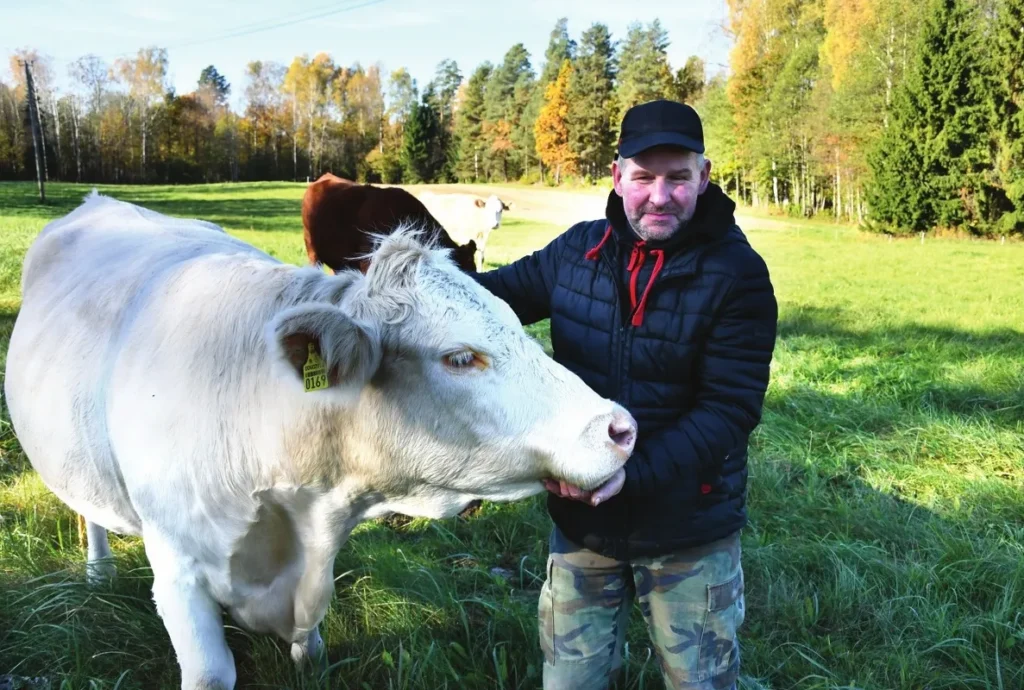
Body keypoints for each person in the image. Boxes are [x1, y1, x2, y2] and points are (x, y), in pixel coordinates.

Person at [471, 99, 778, 689]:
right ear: (617, 177)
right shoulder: (575, 252)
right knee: (570, 683)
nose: (659, 196)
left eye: (677, 178)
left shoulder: (738, 274)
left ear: (704, 177)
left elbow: (729, 410)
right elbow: (487, 302)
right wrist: (403, 285)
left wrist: (626, 475)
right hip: (583, 525)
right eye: (643, 177)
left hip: (690, 527)